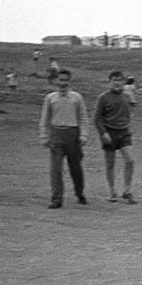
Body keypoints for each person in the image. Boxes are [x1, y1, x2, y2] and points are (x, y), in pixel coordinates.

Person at [40, 68, 89, 208]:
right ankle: (57, 198)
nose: (63, 83)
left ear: (69, 81)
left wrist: (83, 135)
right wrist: (44, 136)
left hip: (73, 134)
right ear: (56, 81)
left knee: (75, 167)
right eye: (60, 80)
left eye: (66, 80)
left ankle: (79, 193)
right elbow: (44, 119)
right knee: (56, 168)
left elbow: (83, 117)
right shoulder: (50, 98)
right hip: (56, 134)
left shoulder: (76, 98)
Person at [94, 70, 137, 204]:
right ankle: (112, 191)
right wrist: (103, 132)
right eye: (114, 80)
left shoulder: (126, 96)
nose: (117, 83)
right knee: (110, 163)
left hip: (124, 133)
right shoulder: (103, 98)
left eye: (119, 80)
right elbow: (97, 118)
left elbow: (129, 112)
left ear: (123, 82)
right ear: (110, 82)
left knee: (130, 160)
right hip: (109, 133)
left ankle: (127, 190)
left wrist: (126, 123)